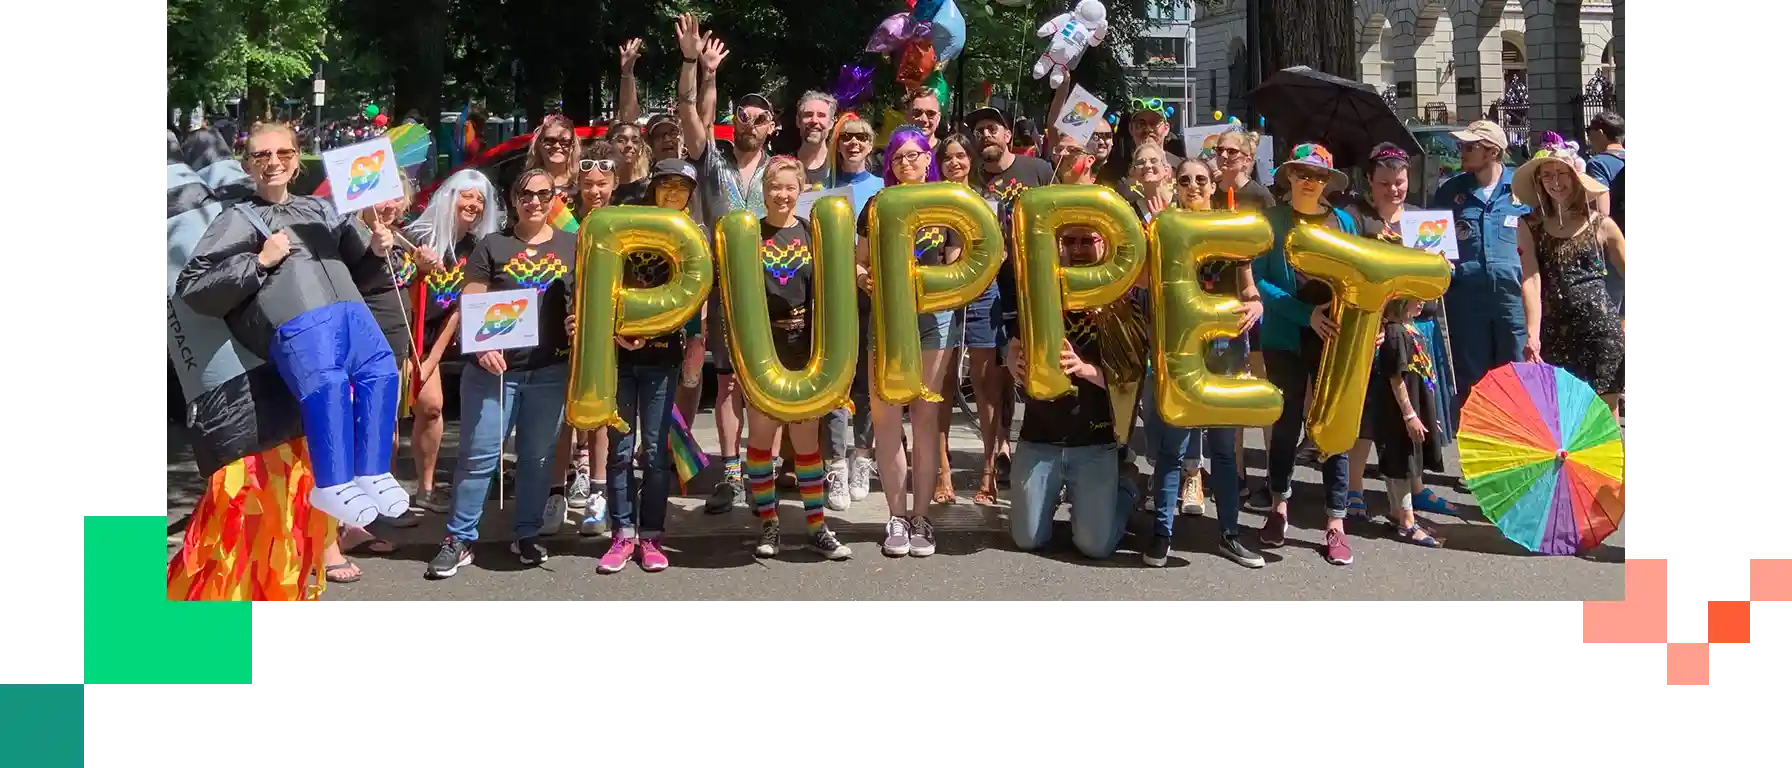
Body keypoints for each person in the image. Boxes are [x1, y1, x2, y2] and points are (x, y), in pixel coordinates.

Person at [426, 169, 577, 579]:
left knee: (537, 459)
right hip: (494, 371)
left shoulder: (573, 245)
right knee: (479, 457)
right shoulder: (493, 245)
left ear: (554, 198)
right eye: (525, 194)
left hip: (550, 370)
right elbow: (471, 301)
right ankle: (459, 539)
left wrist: (577, 323)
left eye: (543, 194)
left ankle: (526, 533)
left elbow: (584, 300)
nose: (534, 201)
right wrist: (483, 345)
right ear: (513, 199)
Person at [571, 158, 701, 573]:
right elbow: (597, 287)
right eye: (666, 185)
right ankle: (622, 534)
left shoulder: (691, 236)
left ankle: (652, 536)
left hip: (664, 359)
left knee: (657, 453)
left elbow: (696, 300)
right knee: (620, 451)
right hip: (619, 357)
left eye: (682, 187)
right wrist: (614, 331)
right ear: (653, 188)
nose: (674, 193)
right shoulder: (625, 227)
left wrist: (695, 344)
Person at [740, 156, 855, 560]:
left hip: (805, 348)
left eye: (790, 187)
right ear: (763, 190)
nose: (782, 195)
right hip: (763, 349)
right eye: (775, 187)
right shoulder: (749, 235)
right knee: (761, 439)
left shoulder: (811, 233)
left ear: (801, 189)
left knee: (807, 442)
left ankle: (816, 526)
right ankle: (769, 523)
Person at [1003, 226, 1142, 559]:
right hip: (1039, 439)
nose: (1078, 249)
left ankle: (1126, 488)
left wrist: (1084, 370)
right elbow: (1014, 344)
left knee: (1095, 547)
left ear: (1104, 244)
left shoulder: (1121, 303)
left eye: (1087, 240)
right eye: (1069, 241)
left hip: (1094, 443)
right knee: (1028, 540)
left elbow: (1132, 381)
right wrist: (1014, 362)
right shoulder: (1043, 294)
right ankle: (1056, 497)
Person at [856, 126, 962, 558]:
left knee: (925, 419)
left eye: (913, 155)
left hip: (934, 319)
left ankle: (921, 517)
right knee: (886, 418)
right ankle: (896, 516)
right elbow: (859, 261)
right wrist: (865, 279)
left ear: (928, 158)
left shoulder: (947, 203)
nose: (905, 163)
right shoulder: (876, 205)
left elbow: (958, 265)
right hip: (886, 319)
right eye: (897, 158)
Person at [677, 12, 768, 513]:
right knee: (728, 382)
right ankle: (731, 474)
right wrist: (693, 64)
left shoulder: (783, 171)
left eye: (760, 117)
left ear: (772, 126)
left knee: (768, 380)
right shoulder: (712, 161)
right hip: (723, 290)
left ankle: (763, 471)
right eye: (744, 116)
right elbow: (688, 112)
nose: (750, 123)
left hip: (774, 289)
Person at [1340, 144, 1460, 522]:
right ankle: (1353, 488)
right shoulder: (1356, 220)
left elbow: (1442, 279)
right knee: (1367, 412)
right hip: (1372, 328)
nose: (1394, 189)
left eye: (1400, 182)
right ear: (1369, 182)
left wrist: (1443, 269)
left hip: (1418, 327)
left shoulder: (1423, 220)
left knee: (1416, 408)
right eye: (1385, 183)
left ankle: (1416, 487)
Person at [1253, 142, 1360, 566]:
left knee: (1333, 428)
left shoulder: (1344, 222)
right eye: (1302, 173)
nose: (1309, 181)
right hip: (1285, 336)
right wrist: (1305, 315)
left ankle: (1336, 522)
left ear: (1327, 181)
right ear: (1289, 177)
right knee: (1285, 424)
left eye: (1317, 175)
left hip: (1334, 338)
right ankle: (1278, 506)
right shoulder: (1272, 221)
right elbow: (1260, 280)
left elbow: (1361, 275)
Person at [405, 170, 501, 518]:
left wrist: (432, 360)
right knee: (393, 416)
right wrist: (420, 271)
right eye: (467, 195)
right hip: (403, 333)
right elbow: (402, 297)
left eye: (480, 199)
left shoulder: (476, 249)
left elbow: (461, 308)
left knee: (432, 407)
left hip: (435, 338)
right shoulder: (415, 237)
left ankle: (426, 489)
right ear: (450, 196)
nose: (473, 204)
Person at [968, 106, 1054, 492]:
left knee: (1028, 363)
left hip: (1030, 282)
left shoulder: (1038, 170)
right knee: (995, 371)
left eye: (993, 128)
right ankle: (1001, 447)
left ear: (1007, 135)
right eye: (979, 130)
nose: (986, 134)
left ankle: (1035, 445)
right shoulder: (969, 177)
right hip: (986, 285)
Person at [1429, 120, 1529, 432]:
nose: (1461, 151)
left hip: (1513, 302)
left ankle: (1516, 451)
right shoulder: (1450, 192)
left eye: (1469, 147)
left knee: (1517, 378)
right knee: (1472, 382)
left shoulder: (1522, 189)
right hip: (1466, 302)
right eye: (1461, 145)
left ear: (1492, 152)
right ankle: (1479, 453)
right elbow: (1430, 244)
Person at [1515, 147, 1628, 420]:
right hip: (1554, 332)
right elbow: (1531, 279)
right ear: (1539, 182)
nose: (1555, 181)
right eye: (1547, 175)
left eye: (1562, 173)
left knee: (1604, 414)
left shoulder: (1601, 224)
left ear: (1576, 177)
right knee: (1562, 417)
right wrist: (1532, 335)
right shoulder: (1529, 225)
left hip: (1600, 331)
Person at [1370, 297, 1448, 547]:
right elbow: (1396, 377)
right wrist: (1409, 414)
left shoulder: (1411, 329)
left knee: (1406, 460)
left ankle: (1397, 513)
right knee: (1402, 462)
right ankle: (1407, 521)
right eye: (1415, 298)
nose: (1422, 302)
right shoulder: (1395, 332)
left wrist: (1428, 415)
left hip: (1415, 404)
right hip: (1398, 411)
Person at [1584, 111, 1631, 235]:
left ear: (1600, 133)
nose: (1588, 138)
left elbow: (1600, 212)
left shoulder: (1597, 163)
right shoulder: (1629, 159)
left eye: (1588, 131)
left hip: (1617, 236)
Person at [526, 113, 583, 204]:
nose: (557, 146)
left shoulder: (583, 182)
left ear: (572, 146)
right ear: (539, 144)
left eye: (564, 142)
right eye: (550, 140)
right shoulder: (526, 183)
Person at [794, 91, 839, 189]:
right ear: (798, 121)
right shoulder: (784, 165)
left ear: (831, 123)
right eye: (808, 115)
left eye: (821, 115)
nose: (814, 120)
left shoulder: (841, 164)